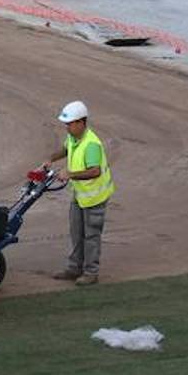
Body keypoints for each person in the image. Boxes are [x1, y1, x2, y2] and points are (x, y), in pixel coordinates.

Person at [45, 101, 115, 286]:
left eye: (69, 124)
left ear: (81, 122)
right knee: (76, 232)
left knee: (91, 235)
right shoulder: (74, 138)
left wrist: (69, 174)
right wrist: (51, 159)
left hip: (94, 197)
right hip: (80, 194)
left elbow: (95, 171)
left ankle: (91, 272)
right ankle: (74, 267)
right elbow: (66, 149)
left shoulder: (91, 144)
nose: (67, 127)